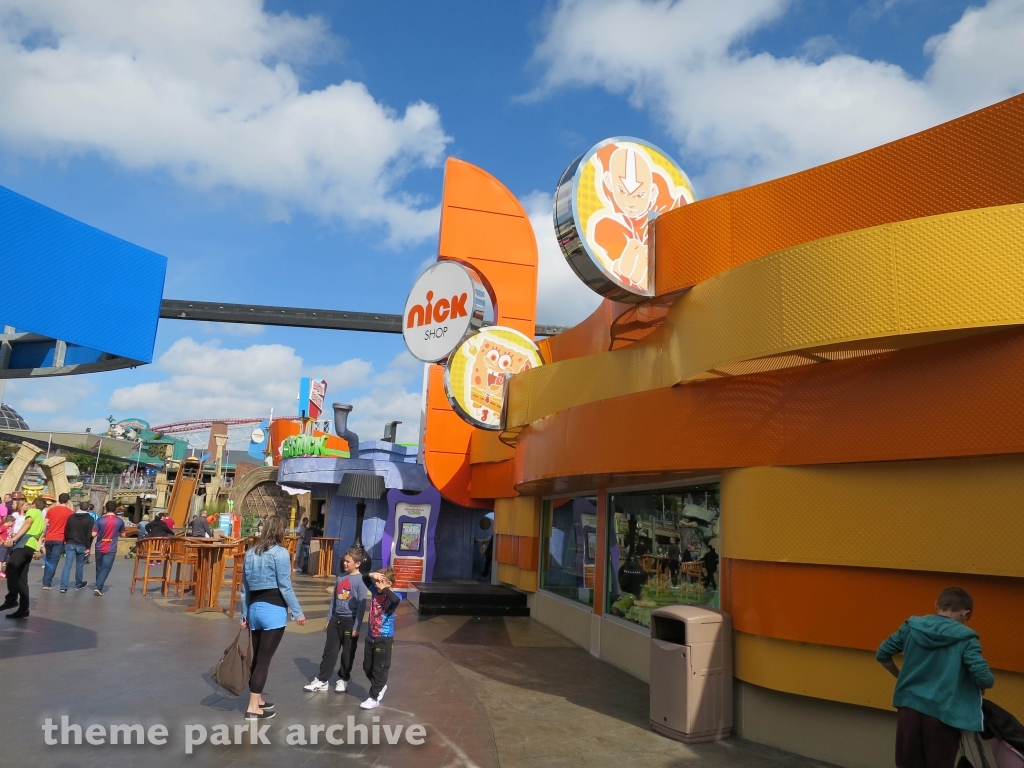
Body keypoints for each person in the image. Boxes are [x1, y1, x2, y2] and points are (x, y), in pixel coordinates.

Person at [877, 587, 994, 768]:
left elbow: (883, 654)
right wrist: (978, 684)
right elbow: (986, 678)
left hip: (908, 707)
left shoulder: (911, 626)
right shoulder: (966, 638)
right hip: (943, 713)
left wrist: (900, 677)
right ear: (966, 613)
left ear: (937, 605)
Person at [240, 516, 305, 720]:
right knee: (264, 661)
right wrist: (297, 612)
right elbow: (284, 585)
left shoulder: (250, 553)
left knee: (258, 656)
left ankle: (257, 700)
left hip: (254, 610)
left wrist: (244, 614)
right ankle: (252, 708)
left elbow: (244, 590)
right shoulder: (281, 553)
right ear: (280, 531)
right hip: (273, 610)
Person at [305, 548, 369, 694]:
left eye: (348, 561)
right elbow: (334, 599)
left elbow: (361, 605)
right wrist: (329, 617)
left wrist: (357, 625)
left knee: (347, 652)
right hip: (336, 619)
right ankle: (322, 680)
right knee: (329, 650)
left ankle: (343, 678)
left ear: (357, 563)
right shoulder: (340, 577)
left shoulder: (361, 581)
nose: (345, 563)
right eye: (344, 560)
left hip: (350, 620)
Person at [360, 567, 402, 710]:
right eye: (376, 581)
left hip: (384, 638)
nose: (377, 584)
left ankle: (374, 697)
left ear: (389, 584)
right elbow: (364, 577)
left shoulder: (395, 596)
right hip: (371, 635)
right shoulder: (374, 591)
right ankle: (380, 685)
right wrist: (373, 575)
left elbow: (395, 600)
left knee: (380, 668)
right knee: (367, 667)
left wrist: (385, 588)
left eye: (380, 582)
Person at [0, 496, 46, 618]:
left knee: (11, 567)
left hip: (24, 544)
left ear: (34, 504)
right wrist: (37, 550)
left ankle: (11, 598)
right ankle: (24, 608)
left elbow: (28, 523)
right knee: (21, 578)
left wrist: (14, 538)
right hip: (30, 547)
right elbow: (40, 536)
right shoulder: (41, 519)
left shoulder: (33, 511)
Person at [41, 493, 74, 590]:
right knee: (54, 561)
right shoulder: (70, 512)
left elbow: (45, 524)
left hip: (49, 537)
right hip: (60, 538)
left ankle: (45, 580)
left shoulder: (51, 510)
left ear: (59, 500)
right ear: (67, 501)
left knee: (48, 559)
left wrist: (43, 535)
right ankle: (47, 582)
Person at [92, 500, 126, 595]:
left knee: (99, 567)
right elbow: (123, 534)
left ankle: (99, 586)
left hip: (99, 547)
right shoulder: (119, 521)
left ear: (105, 509)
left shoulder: (100, 520)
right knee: (106, 568)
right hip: (110, 548)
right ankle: (98, 587)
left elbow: (93, 533)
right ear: (115, 509)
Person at [61, 504, 95, 592]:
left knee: (67, 565)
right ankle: (78, 584)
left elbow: (66, 530)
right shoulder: (90, 519)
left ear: (80, 507)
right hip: (82, 544)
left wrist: (66, 540)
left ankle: (63, 587)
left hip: (70, 543)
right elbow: (89, 535)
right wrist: (88, 547)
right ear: (88, 508)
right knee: (79, 565)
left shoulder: (71, 517)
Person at [0, 514, 13, 580]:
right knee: (1, 559)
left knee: (4, 559)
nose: (13, 523)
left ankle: (3, 570)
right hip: (2, 545)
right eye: (12, 522)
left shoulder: (8, 528)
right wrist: (1, 539)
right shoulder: (3, 527)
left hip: (7, 545)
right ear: (9, 521)